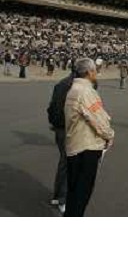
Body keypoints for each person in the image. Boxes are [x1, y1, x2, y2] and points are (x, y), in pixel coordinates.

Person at [64, 58, 115, 217]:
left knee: (73, 190)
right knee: (82, 191)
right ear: (89, 72)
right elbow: (98, 119)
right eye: (95, 70)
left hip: (74, 143)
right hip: (86, 146)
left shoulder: (74, 88)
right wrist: (110, 134)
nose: (96, 73)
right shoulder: (86, 92)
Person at [46, 71, 76, 213]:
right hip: (69, 129)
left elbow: (52, 107)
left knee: (64, 163)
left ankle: (58, 197)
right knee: (69, 164)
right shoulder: (77, 87)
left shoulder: (62, 83)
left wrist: (54, 123)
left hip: (59, 128)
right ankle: (62, 199)